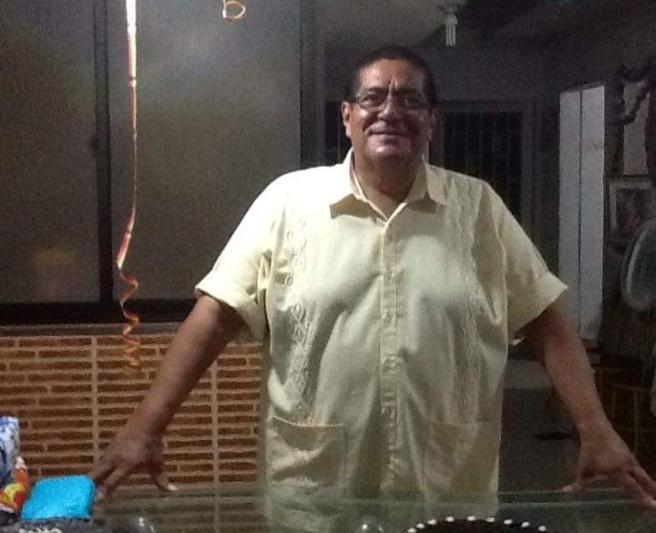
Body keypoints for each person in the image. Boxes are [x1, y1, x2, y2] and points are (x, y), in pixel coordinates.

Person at [91, 46, 656, 506]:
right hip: (315, 495)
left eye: (410, 99)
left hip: (446, 493)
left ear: (431, 120)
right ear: (347, 116)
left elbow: (547, 321)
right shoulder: (288, 203)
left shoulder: (478, 210)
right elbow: (214, 317)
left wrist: (596, 428)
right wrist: (146, 425)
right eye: (373, 97)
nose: (391, 110)